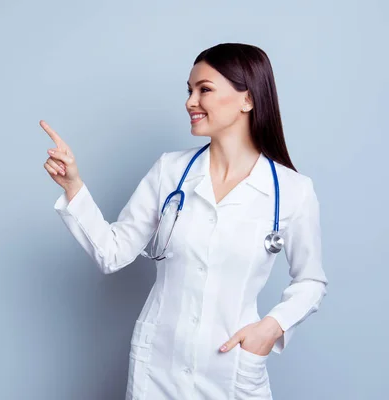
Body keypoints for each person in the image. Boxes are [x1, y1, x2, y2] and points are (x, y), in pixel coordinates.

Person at [41, 43, 328, 400]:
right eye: (189, 90)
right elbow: (111, 253)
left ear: (248, 100)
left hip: (233, 368)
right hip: (157, 367)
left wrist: (271, 328)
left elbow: (311, 280)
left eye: (204, 90)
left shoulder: (292, 191)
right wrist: (73, 187)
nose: (190, 101)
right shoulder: (170, 171)